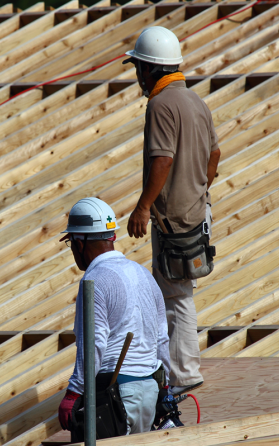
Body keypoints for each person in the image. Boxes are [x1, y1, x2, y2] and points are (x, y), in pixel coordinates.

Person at [124, 26, 221, 395]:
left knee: (175, 295)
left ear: (150, 69)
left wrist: (144, 206)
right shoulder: (196, 101)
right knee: (181, 290)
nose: (138, 78)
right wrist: (199, 187)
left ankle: (183, 374)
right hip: (197, 212)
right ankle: (182, 369)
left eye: (138, 69)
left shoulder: (160, 105)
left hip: (174, 218)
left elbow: (162, 159)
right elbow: (214, 154)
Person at [57, 197, 171, 438]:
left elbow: (94, 343)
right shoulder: (143, 274)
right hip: (150, 391)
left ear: (80, 242)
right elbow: (162, 338)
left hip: (117, 398)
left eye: (71, 244)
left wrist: (73, 393)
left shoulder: (94, 280)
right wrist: (166, 387)